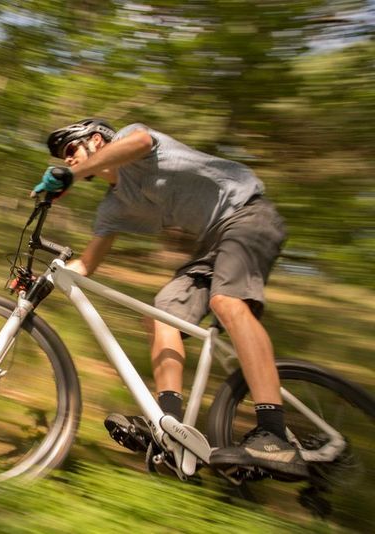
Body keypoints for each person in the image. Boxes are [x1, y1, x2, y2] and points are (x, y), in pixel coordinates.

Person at [33, 118, 306, 477]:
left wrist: (74, 173)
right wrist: (42, 280)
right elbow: (85, 264)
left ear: (96, 140)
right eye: (64, 158)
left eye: (71, 150)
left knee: (227, 303)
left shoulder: (133, 140)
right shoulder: (114, 206)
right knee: (161, 313)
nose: (68, 161)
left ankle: (274, 437)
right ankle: (171, 429)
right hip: (212, 242)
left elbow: (142, 143)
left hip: (248, 215)